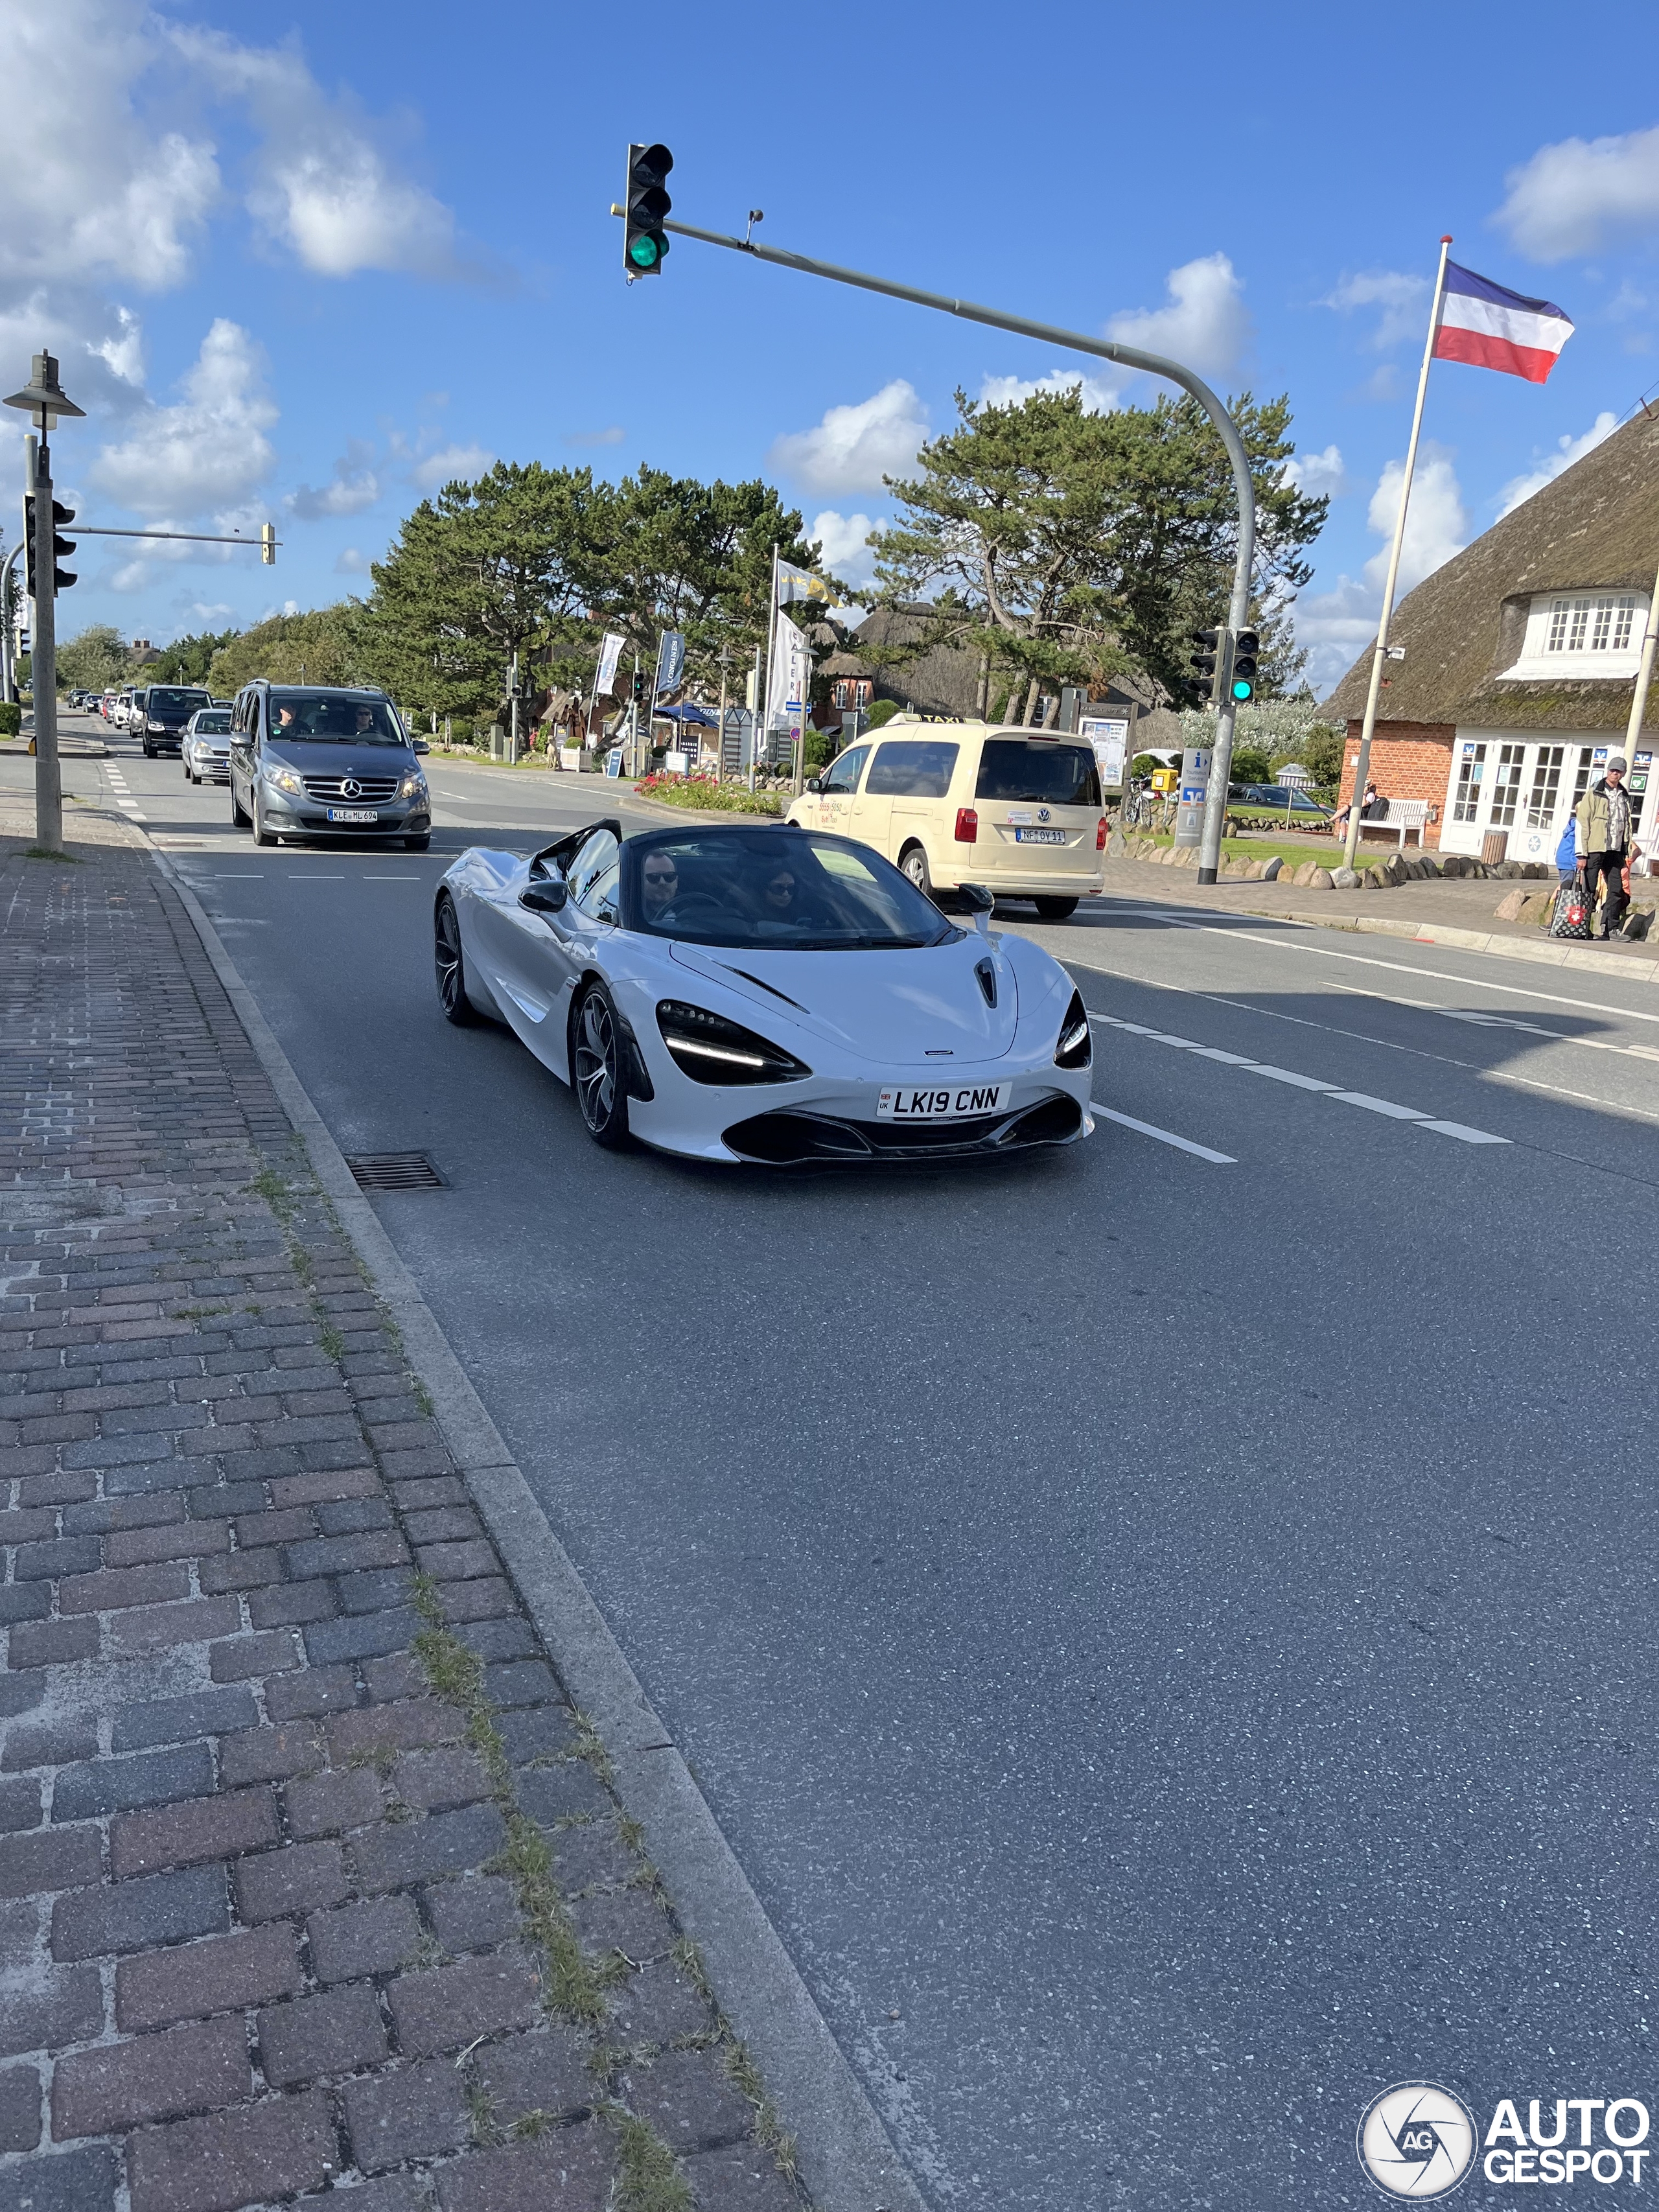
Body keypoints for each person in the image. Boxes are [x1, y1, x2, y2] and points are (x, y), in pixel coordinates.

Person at [1575, 754, 1642, 939]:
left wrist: (1627, 848)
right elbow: (1583, 823)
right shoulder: (1595, 793)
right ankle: (1582, 927)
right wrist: (1581, 854)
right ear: (1608, 771)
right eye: (1612, 770)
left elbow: (1625, 825)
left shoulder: (1624, 796)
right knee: (1588, 889)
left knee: (1616, 889)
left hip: (1615, 850)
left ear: (1623, 773)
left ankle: (1610, 929)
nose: (1615, 773)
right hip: (1595, 849)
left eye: (1619, 771)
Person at [640, 852, 681, 923]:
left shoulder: (694, 908)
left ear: (676, 882)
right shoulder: (633, 916)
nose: (662, 882)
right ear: (641, 882)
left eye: (669, 876)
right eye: (654, 877)